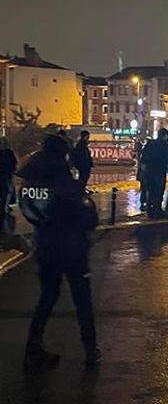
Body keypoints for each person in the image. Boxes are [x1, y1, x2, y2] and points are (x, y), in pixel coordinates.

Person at [17, 134, 100, 369]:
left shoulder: (32, 179)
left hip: (45, 244)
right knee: (82, 300)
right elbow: (86, 214)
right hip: (72, 247)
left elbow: (29, 210)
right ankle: (90, 348)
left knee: (47, 297)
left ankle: (33, 347)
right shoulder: (62, 178)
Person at [141, 129, 168, 218]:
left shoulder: (150, 144)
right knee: (159, 191)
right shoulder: (164, 145)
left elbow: (143, 155)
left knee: (151, 190)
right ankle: (157, 210)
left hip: (149, 171)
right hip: (159, 171)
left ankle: (150, 210)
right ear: (165, 136)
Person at [0, 138, 17, 227]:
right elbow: (14, 163)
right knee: (5, 193)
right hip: (6, 176)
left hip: (5, 176)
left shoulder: (8, 153)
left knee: (5, 193)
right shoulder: (8, 152)